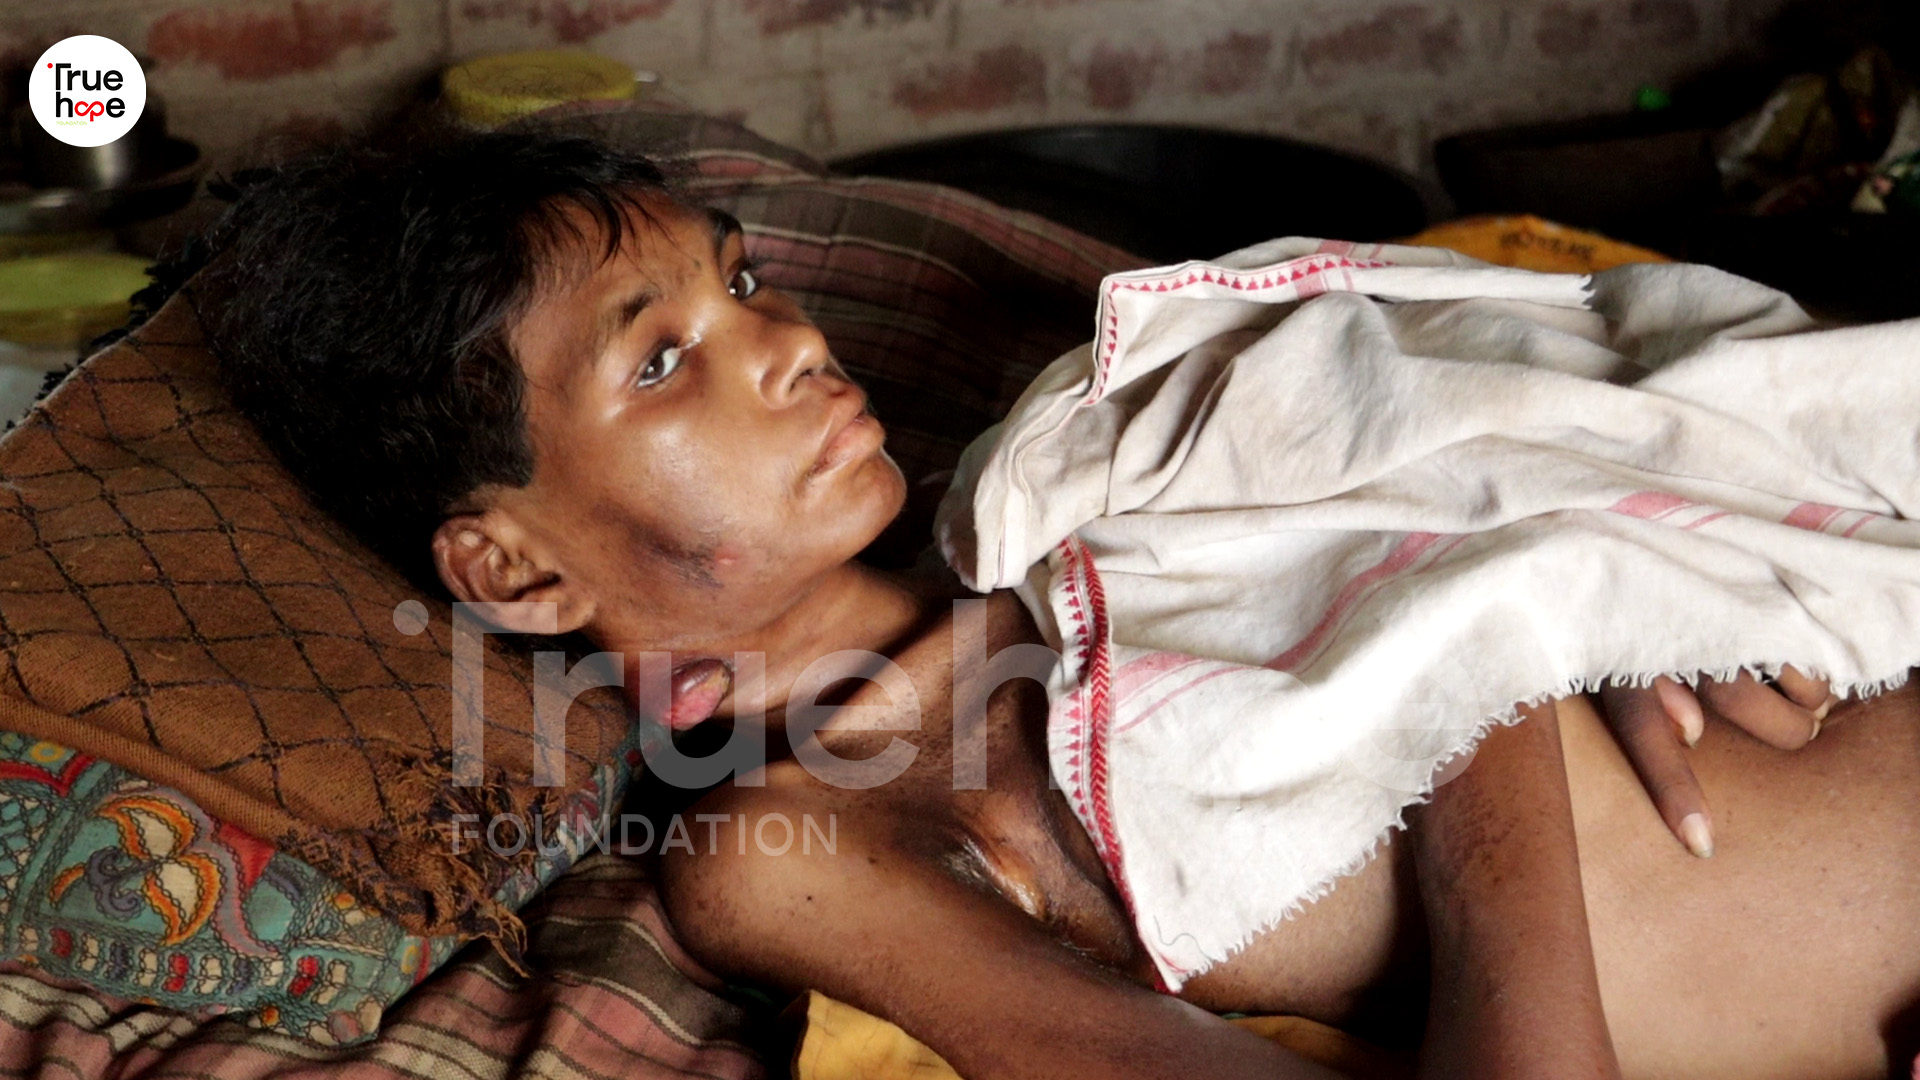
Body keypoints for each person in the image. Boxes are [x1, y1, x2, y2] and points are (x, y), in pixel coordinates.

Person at [195, 128, 1916, 1080]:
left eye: (745, 279)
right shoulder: (806, 844)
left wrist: (1626, 571)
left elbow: (1480, 425)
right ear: (516, 566)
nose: (787, 342)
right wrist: (1490, 661)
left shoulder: (1088, 500)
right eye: (663, 360)